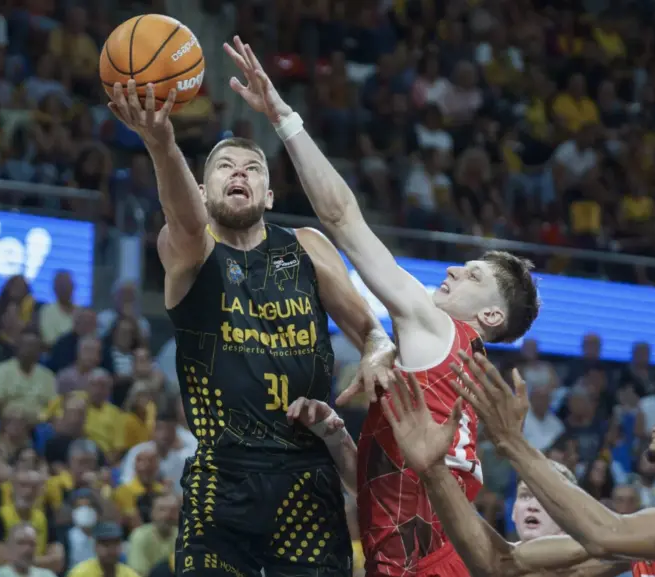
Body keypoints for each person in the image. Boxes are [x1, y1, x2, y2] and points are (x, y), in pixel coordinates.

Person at [223, 38, 540, 577]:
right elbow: (387, 489)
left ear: (490, 316)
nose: (452, 271)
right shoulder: (465, 374)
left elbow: (344, 218)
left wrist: (283, 118)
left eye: (474, 275)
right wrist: (335, 435)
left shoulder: (437, 327)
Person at [107, 43, 399, 577]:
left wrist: (378, 350)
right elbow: (188, 222)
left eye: (252, 168)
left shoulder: (307, 245)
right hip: (224, 478)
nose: (238, 172)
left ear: (267, 194)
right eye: (223, 166)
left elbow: (368, 329)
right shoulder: (186, 248)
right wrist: (162, 142)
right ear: (200, 188)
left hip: (308, 477)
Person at [381, 357, 655, 577]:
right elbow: (500, 564)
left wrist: (512, 442)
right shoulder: (650, 538)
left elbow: (606, 534)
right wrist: (434, 470)